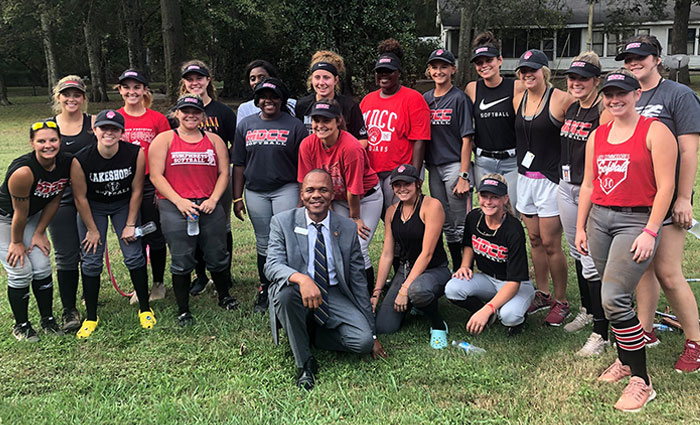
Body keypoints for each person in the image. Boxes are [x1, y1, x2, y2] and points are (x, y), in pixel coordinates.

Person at [575, 69, 677, 412]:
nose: (615, 99)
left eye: (622, 93)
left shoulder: (655, 131)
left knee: (615, 298)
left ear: (636, 95)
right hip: (600, 219)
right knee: (611, 296)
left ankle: (642, 381)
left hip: (636, 219)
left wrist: (651, 230)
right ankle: (624, 360)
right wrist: (580, 228)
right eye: (609, 94)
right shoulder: (598, 135)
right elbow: (588, 184)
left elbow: (666, 187)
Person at [617, 35, 700, 372]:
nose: (634, 63)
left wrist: (683, 197)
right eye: (628, 58)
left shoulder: (678, 95)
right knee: (642, 270)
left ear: (657, 59)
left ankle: (695, 342)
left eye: (640, 57)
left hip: (667, 199)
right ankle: (646, 330)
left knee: (667, 272)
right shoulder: (627, 94)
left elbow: (688, 151)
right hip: (636, 198)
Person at [264, 169, 387, 390]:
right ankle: (305, 363)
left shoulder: (348, 228)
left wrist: (373, 332)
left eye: (323, 190)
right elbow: (272, 265)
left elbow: (359, 282)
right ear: (302, 195)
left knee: (362, 342)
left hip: (334, 292)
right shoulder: (282, 222)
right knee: (284, 294)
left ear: (332, 194)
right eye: (310, 190)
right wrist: (302, 279)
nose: (316, 195)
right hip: (297, 292)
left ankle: (312, 333)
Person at [149, 95, 239, 326]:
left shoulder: (214, 140)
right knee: (181, 256)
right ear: (176, 113)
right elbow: (156, 175)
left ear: (203, 116)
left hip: (208, 202)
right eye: (185, 111)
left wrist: (214, 199)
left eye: (196, 112)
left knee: (217, 252)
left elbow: (223, 173)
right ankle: (183, 308)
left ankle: (224, 296)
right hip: (175, 204)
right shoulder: (164, 139)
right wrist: (179, 201)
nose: (190, 115)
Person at [71, 110, 153, 338]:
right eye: (103, 128)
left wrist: (129, 224)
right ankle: (90, 317)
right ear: (95, 131)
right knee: (91, 258)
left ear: (121, 132)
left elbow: (137, 190)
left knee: (133, 254)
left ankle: (145, 308)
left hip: (123, 205)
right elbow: (80, 197)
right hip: (93, 207)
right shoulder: (81, 159)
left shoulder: (135, 153)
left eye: (114, 128)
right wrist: (92, 229)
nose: (109, 132)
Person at [233, 78, 307, 313]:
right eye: (264, 96)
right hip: (255, 192)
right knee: (263, 242)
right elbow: (239, 164)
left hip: (285, 188)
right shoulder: (246, 124)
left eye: (274, 96)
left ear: (282, 99)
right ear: (257, 100)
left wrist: (301, 195)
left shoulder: (295, 125)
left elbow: (304, 164)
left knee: (287, 239)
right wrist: (237, 198)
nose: (269, 101)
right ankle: (265, 288)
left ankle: (287, 286)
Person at [512, 49, 575, 326]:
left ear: (544, 71)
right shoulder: (519, 99)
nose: (528, 75)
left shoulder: (561, 99)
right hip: (525, 178)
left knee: (551, 243)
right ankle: (543, 293)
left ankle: (562, 300)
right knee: (534, 240)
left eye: (533, 70)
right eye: (523, 71)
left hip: (550, 180)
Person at [558, 53, 613, 356]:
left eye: (583, 78)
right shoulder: (572, 108)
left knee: (590, 258)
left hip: (588, 189)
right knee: (577, 253)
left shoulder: (602, 111)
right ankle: (588, 310)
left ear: (597, 81)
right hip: (566, 186)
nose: (576, 83)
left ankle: (601, 333)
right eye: (572, 78)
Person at [297, 99, 382, 292]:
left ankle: (366, 297)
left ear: (338, 121)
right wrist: (329, 210)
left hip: (365, 199)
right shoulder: (307, 145)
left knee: (357, 247)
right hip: (336, 199)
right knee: (334, 244)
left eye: (326, 120)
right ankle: (341, 290)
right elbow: (309, 182)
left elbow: (354, 190)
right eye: (316, 120)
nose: (320, 125)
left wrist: (355, 218)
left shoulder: (351, 147)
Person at [0, 120, 71, 341]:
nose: (47, 145)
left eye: (52, 140)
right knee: (20, 269)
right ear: (32, 143)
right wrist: (17, 242)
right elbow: (18, 213)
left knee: (41, 267)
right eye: (41, 141)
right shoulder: (23, 172)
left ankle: (47, 319)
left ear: (60, 141)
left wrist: (40, 232)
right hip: (5, 219)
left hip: (31, 218)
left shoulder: (65, 163)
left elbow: (54, 199)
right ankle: (21, 325)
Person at [444, 174, 534, 336]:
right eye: (484, 196)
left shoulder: (513, 229)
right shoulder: (474, 217)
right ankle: (487, 312)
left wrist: (488, 308)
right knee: (453, 288)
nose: (488, 201)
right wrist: (465, 265)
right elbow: (468, 244)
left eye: (495, 197)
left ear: (505, 199)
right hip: (487, 279)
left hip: (514, 284)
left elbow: (514, 282)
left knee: (509, 316)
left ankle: (514, 319)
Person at [372, 164, 451, 348]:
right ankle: (416, 305)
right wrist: (377, 291)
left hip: (434, 269)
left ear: (418, 184)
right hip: (405, 269)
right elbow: (387, 254)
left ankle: (438, 325)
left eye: (407, 183)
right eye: (397, 184)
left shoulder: (431, 206)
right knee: (385, 326)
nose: (402, 188)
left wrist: (404, 288)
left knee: (418, 291)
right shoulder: (392, 211)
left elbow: (427, 253)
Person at [179, 60, 236, 295]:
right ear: (184, 82)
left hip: (218, 180)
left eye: (199, 78)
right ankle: (200, 275)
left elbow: (237, 144)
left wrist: (222, 163)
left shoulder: (222, 111)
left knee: (222, 226)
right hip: (187, 180)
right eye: (190, 79)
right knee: (195, 228)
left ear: (208, 81)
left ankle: (224, 274)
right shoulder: (179, 110)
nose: (195, 83)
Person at [47, 76, 97, 333]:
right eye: (66, 94)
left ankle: (90, 296)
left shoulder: (94, 123)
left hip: (91, 198)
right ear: (59, 97)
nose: (72, 99)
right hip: (60, 199)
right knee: (66, 253)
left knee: (91, 250)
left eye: (76, 94)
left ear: (83, 97)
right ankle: (69, 308)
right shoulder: (49, 126)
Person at [116, 69, 169, 304]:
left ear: (144, 90)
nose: (132, 92)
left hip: (150, 183)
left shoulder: (157, 119)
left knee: (153, 234)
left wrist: (161, 189)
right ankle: (140, 285)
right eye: (126, 87)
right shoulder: (113, 118)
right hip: (122, 183)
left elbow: (168, 155)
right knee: (131, 236)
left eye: (137, 87)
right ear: (120, 91)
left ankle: (158, 282)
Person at [360, 38, 431, 211]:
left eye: (389, 71)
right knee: (384, 216)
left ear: (398, 73)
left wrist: (413, 175)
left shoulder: (414, 99)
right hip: (373, 172)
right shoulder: (367, 100)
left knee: (401, 217)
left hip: (399, 171)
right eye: (380, 71)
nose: (383, 75)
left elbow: (420, 140)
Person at [423, 47, 474, 270]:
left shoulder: (459, 98)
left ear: (453, 69)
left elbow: (467, 139)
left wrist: (464, 175)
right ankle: (455, 269)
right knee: (445, 223)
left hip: (454, 165)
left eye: (444, 66)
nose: (439, 71)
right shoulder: (425, 99)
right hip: (433, 167)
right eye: (435, 67)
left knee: (461, 222)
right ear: (429, 71)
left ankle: (466, 267)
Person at [465, 31, 524, 206]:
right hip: (484, 162)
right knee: (488, 208)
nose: (484, 66)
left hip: (512, 161)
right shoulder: (472, 89)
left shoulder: (516, 87)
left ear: (499, 60)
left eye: (488, 60)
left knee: (513, 210)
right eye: (479, 63)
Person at [295, 51, 368, 144]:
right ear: (311, 79)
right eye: (317, 77)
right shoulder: (302, 105)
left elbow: (363, 140)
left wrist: (346, 155)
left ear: (335, 80)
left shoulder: (349, 106)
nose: (321, 83)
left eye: (326, 77)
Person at [236, 60, 296, 124]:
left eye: (261, 77)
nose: (256, 81)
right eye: (253, 79)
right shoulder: (245, 108)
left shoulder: (292, 104)